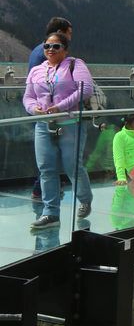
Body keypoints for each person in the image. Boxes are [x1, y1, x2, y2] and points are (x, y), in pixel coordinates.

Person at [22, 32, 94, 229]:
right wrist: (33, 109)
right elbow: (27, 97)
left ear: (65, 50)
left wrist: (61, 107)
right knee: (46, 169)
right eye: (47, 46)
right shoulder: (36, 70)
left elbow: (85, 89)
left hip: (71, 125)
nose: (50, 50)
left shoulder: (75, 64)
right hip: (44, 125)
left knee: (72, 166)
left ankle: (85, 199)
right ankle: (51, 213)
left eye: (56, 46)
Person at [27, 17, 73, 200]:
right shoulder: (48, 54)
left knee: (47, 153)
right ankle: (42, 190)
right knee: (49, 154)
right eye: (69, 33)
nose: (70, 37)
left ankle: (47, 189)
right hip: (47, 111)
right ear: (60, 33)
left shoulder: (38, 50)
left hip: (41, 109)